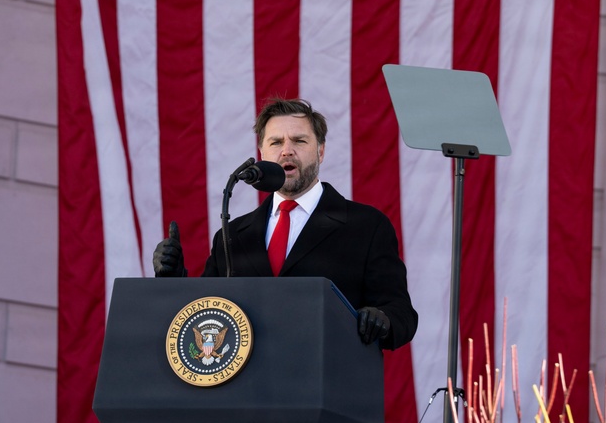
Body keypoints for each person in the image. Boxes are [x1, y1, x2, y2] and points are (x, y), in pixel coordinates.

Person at [152, 98, 418, 350]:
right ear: (262, 152)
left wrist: (381, 319)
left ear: (321, 151)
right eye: (276, 142)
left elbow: (402, 314)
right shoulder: (233, 235)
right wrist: (173, 278)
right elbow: (208, 314)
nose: (286, 150)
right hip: (248, 390)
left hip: (329, 382)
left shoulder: (366, 226)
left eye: (299, 141)